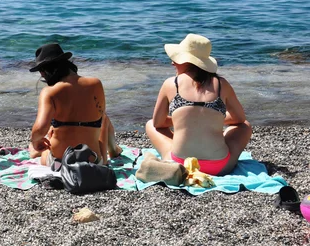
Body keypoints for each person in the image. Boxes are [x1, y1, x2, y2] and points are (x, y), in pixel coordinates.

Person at [146, 34, 252, 175]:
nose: (172, 62)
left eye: (176, 59)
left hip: (180, 165)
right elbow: (239, 119)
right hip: (219, 167)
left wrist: (183, 121)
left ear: (187, 62)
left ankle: (174, 156)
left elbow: (158, 123)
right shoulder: (222, 84)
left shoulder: (171, 84)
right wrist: (210, 120)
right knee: (245, 126)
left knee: (150, 124)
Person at [28, 43, 122, 167]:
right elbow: (99, 118)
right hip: (94, 162)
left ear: (44, 72)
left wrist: (35, 141)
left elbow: (39, 129)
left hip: (60, 164)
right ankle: (113, 150)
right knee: (103, 118)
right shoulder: (96, 83)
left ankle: (35, 152)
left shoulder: (49, 92)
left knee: (44, 141)